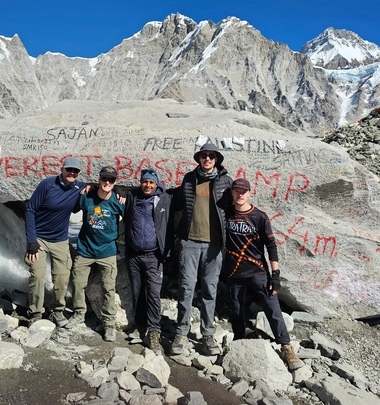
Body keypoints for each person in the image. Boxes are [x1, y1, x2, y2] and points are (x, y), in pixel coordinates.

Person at [224, 178, 304, 370]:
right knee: (236, 309)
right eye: (237, 191)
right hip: (234, 272)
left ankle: (286, 347)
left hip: (258, 272)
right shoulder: (225, 214)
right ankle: (239, 339)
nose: (240, 194)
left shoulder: (259, 217)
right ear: (232, 193)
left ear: (250, 193)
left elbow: (271, 246)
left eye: (244, 191)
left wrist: (275, 274)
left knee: (273, 309)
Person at [171, 143, 233, 356]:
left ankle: (208, 333)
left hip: (214, 245)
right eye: (204, 156)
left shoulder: (225, 181)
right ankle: (181, 331)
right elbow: (176, 200)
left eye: (211, 156)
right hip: (189, 242)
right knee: (186, 288)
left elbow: (234, 209)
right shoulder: (189, 178)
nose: (207, 159)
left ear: (217, 159)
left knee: (209, 290)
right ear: (199, 159)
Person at [66, 166, 126, 341]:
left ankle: (109, 323)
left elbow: (132, 216)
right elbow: (71, 206)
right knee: (78, 282)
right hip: (85, 248)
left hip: (107, 251)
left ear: (115, 182)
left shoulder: (117, 200)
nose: (107, 182)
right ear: (99, 180)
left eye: (111, 180)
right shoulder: (87, 196)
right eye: (104, 179)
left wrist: (121, 191)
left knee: (108, 287)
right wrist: (86, 185)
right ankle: (78, 313)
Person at [24, 157, 85, 326]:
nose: (72, 173)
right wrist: (31, 241)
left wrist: (121, 192)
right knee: (38, 275)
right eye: (69, 169)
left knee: (62, 277)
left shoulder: (80, 187)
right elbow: (30, 210)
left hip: (60, 240)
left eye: (76, 171)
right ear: (62, 169)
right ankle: (35, 313)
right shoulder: (47, 184)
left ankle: (57, 311)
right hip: (39, 239)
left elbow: (104, 187)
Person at [123, 168, 174, 354]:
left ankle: (154, 331)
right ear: (140, 182)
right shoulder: (132, 197)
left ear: (156, 184)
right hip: (134, 255)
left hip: (154, 255)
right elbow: (114, 192)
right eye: (145, 182)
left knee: (153, 294)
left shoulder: (165, 199)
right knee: (137, 292)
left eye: (152, 182)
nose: (148, 185)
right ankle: (140, 325)